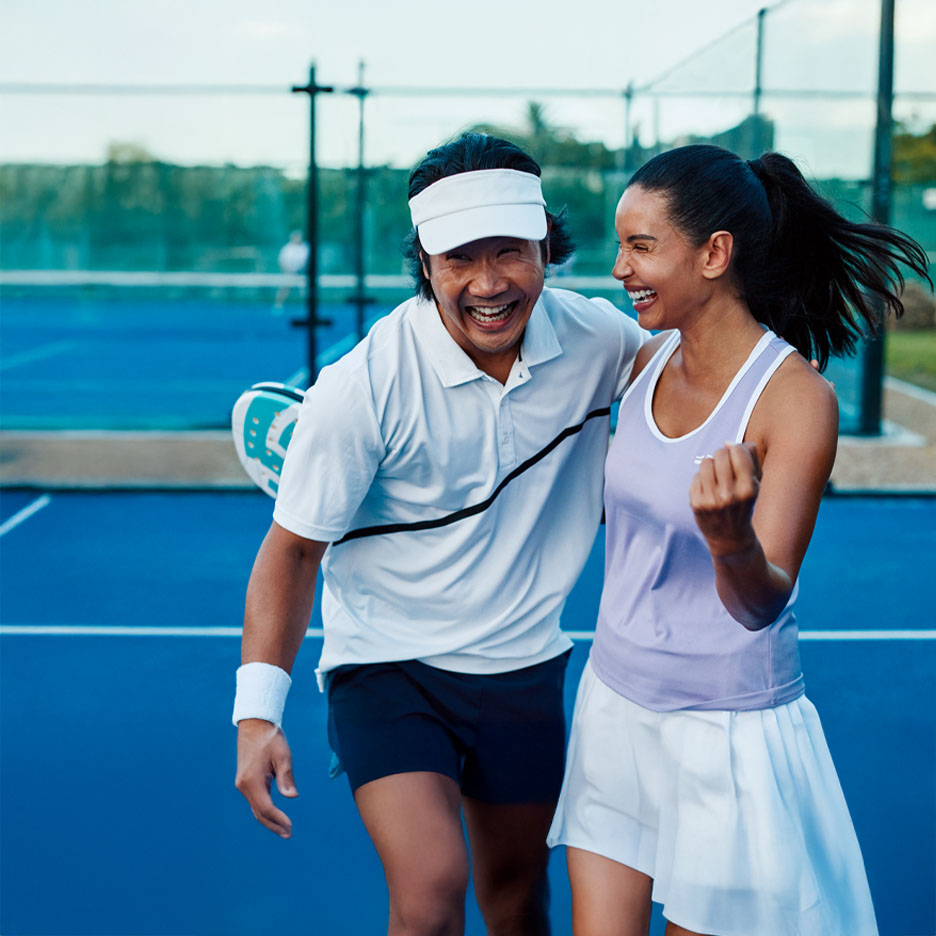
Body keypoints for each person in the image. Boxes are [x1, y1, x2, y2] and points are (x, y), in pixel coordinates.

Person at [233, 132, 646, 936]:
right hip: (389, 668)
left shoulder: (599, 342)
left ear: (546, 248)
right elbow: (294, 550)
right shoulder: (362, 387)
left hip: (523, 666)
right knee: (429, 896)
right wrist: (257, 716)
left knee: (518, 901)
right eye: (459, 258)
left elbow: (697, 379)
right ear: (425, 263)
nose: (488, 284)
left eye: (510, 252)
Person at [547, 144, 932, 936]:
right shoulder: (644, 362)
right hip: (614, 705)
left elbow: (762, 603)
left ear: (714, 253)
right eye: (621, 245)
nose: (620, 268)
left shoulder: (796, 400)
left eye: (641, 246)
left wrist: (729, 541)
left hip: (725, 730)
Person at [274, 230, 310, 310]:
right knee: (284, 289)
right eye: (296, 236)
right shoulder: (287, 248)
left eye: (299, 236)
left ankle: (306, 307)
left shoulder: (304, 247)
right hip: (289, 273)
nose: (298, 238)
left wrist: (304, 271)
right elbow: (282, 261)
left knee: (305, 290)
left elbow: (307, 261)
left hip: (302, 273)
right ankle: (277, 306)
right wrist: (287, 272)